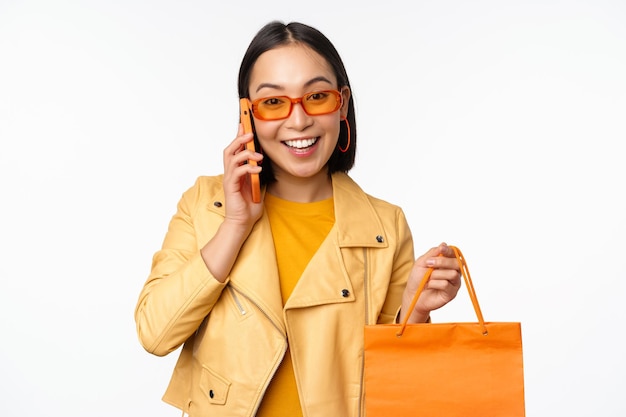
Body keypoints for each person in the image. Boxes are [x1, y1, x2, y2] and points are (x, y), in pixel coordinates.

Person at [134, 20, 461, 417]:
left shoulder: (385, 226)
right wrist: (235, 225)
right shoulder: (204, 204)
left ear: (342, 104)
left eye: (317, 96)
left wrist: (416, 310)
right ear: (247, 116)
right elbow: (155, 333)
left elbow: (396, 390)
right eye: (273, 102)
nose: (299, 120)